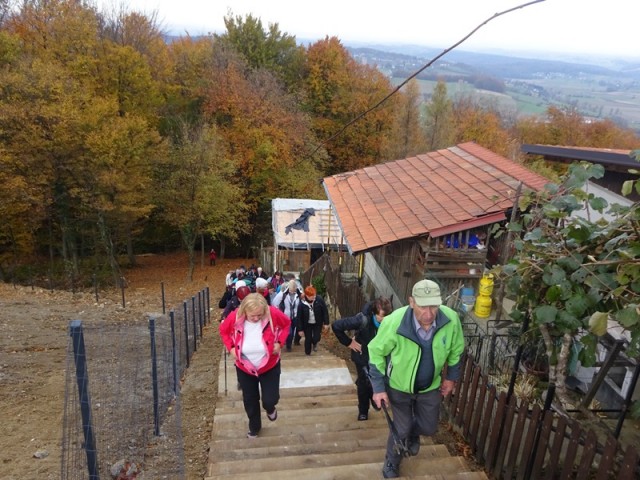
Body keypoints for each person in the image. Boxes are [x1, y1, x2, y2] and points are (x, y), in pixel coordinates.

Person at [368, 279, 465, 478]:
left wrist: (451, 379)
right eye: (422, 307)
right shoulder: (394, 322)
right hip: (399, 388)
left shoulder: (451, 320)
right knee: (401, 429)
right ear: (412, 302)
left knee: (429, 427)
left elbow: (456, 350)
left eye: (434, 306)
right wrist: (378, 388)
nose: (428, 314)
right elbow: (375, 352)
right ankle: (391, 462)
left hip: (430, 387)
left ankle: (413, 433)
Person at [219, 293, 291, 438]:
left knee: (270, 399)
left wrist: (280, 343)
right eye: (253, 316)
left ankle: (270, 408)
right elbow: (223, 331)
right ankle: (254, 427)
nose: (257, 318)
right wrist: (231, 348)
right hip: (245, 367)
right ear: (245, 310)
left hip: (269, 365)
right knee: (250, 400)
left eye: (260, 314)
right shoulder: (235, 316)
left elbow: (287, 324)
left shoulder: (271, 313)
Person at [332, 297, 393, 421]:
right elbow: (336, 326)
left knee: (376, 379)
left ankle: (375, 395)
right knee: (364, 383)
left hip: (380, 357)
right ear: (374, 313)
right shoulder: (362, 320)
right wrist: (349, 342)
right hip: (363, 356)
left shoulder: (391, 321)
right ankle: (363, 410)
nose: (385, 321)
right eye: (381, 317)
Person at [296, 285, 329, 355]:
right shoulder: (301, 304)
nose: (314, 297)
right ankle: (307, 353)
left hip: (317, 322)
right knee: (308, 338)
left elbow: (325, 311)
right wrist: (300, 330)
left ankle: (314, 343)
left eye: (314, 295)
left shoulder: (319, 300)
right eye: (312, 296)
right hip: (307, 324)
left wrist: (326, 323)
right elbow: (299, 318)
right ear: (307, 296)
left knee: (316, 337)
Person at [274, 280, 302, 352]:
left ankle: (290, 342)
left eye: (294, 291)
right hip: (286, 316)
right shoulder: (283, 294)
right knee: (289, 332)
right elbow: (275, 303)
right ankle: (288, 346)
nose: (292, 292)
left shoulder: (299, 294)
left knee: (294, 331)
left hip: (295, 316)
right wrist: (279, 313)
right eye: (291, 291)